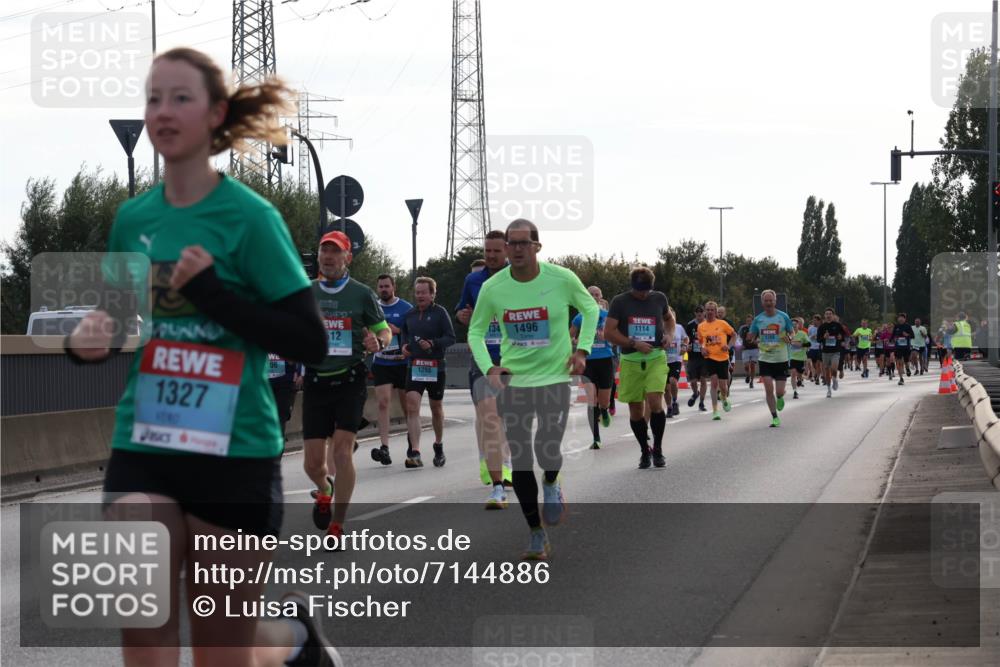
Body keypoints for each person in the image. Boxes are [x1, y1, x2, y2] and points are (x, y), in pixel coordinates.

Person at [66, 47, 341, 666]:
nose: (162, 111)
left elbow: (309, 341)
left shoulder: (250, 219)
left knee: (221, 652)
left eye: (180, 98)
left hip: (232, 453)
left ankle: (290, 642)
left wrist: (212, 294)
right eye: (153, 98)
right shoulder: (133, 217)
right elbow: (116, 320)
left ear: (216, 115)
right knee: (144, 635)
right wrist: (91, 341)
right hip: (146, 446)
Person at [468, 219, 598, 560]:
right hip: (514, 382)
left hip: (555, 377)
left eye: (524, 243)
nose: (517, 249)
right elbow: (475, 332)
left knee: (548, 450)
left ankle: (552, 482)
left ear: (538, 246)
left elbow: (590, 308)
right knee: (523, 460)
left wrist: (581, 350)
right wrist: (489, 368)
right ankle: (536, 533)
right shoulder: (493, 288)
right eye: (512, 243)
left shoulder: (561, 278)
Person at [304, 229, 391, 547]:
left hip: (350, 379)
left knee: (342, 453)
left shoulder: (361, 293)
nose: (328, 257)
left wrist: (377, 341)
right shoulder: (306, 291)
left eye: (335, 252)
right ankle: (324, 489)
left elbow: (384, 332)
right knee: (313, 464)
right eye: (324, 251)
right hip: (315, 381)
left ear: (347, 257)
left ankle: (337, 525)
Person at [455, 229, 513, 506]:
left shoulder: (519, 277)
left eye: (495, 251)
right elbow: (461, 310)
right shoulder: (473, 279)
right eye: (486, 251)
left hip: (513, 358)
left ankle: (508, 461)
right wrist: (463, 315)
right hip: (483, 359)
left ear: (507, 251)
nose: (490, 256)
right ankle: (497, 481)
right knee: (489, 416)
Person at [604, 267, 671, 468]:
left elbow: (669, 319)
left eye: (647, 290)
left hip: (656, 357)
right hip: (631, 360)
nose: (643, 294)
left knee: (655, 401)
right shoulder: (620, 302)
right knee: (635, 410)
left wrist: (668, 333)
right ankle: (645, 450)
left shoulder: (659, 298)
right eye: (639, 290)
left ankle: (658, 448)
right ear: (632, 286)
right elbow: (608, 333)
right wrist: (633, 343)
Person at [401, 276, 456, 468]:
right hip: (415, 366)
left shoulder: (440, 313)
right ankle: (415, 451)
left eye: (424, 292)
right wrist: (405, 347)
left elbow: (451, 338)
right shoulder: (410, 314)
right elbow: (404, 335)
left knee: (436, 408)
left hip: (435, 367)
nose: (420, 296)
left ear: (432, 294)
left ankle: (438, 445)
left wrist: (433, 343)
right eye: (417, 292)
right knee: (412, 405)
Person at [370, 274, 412, 466]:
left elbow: (416, 331)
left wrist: (399, 332)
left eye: (387, 286)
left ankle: (413, 444)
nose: (384, 289)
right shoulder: (373, 307)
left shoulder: (405, 308)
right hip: (382, 362)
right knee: (383, 403)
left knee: (407, 407)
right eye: (381, 287)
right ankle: (384, 447)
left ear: (393, 287)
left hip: (402, 363)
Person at [570, 286, 615, 449]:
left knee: (603, 400)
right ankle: (596, 438)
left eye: (597, 295)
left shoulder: (607, 316)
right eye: (591, 294)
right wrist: (574, 342)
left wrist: (608, 337)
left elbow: (617, 337)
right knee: (591, 400)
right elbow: (570, 335)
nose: (594, 297)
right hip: (588, 361)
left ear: (601, 297)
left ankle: (605, 410)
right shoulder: (580, 317)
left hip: (605, 359)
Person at [746, 290, 794, 427]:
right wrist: (751, 339)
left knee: (778, 391)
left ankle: (780, 396)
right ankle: (774, 417)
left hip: (781, 358)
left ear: (775, 301)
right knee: (768, 389)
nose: (768, 303)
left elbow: (792, 332)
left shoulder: (783, 317)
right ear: (762, 303)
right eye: (766, 301)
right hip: (765, 358)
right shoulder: (758, 319)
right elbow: (752, 336)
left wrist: (790, 338)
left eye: (770, 300)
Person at [697, 301, 736, 420]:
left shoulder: (722, 323)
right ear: (705, 312)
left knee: (723, 386)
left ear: (715, 312)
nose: (709, 312)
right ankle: (715, 410)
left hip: (723, 357)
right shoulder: (701, 326)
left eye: (712, 310)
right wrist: (702, 349)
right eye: (707, 310)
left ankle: (724, 397)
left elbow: (734, 335)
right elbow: (701, 342)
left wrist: (728, 346)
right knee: (714, 383)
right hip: (710, 358)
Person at [268, 354, 301, 442]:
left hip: (285, 382)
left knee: (280, 420)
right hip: (262, 382)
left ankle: (277, 452)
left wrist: (299, 372)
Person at [662, 306, 688, 419]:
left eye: (673, 314)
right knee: (665, 388)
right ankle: (669, 407)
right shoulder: (660, 328)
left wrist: (684, 345)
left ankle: (674, 401)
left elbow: (686, 338)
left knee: (673, 381)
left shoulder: (679, 327)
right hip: (662, 360)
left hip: (676, 359)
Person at [816, 308, 848, 398]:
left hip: (835, 351)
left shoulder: (837, 325)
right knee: (826, 371)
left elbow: (843, 336)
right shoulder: (822, 327)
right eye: (827, 314)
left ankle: (834, 379)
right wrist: (824, 337)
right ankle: (829, 389)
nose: (828, 315)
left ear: (833, 315)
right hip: (825, 352)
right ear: (824, 316)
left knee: (834, 368)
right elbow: (818, 340)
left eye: (830, 314)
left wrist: (840, 337)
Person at [685, 305, 708, 412]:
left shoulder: (708, 324)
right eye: (697, 312)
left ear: (704, 313)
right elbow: (686, 339)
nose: (699, 314)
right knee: (693, 381)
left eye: (701, 312)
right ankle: (695, 393)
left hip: (704, 357)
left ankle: (702, 403)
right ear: (695, 313)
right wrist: (687, 346)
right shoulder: (690, 325)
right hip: (693, 357)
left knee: (703, 380)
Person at [789, 317, 811, 399]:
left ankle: (800, 379)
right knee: (793, 373)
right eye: (792, 324)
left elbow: (809, 344)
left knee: (799, 373)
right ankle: (795, 391)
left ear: (798, 325)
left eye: (795, 324)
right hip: (792, 357)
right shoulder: (788, 335)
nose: (794, 326)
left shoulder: (802, 334)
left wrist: (801, 345)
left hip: (801, 358)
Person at [891, 312, 914, 385]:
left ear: (904, 319)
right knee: (899, 362)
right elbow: (892, 336)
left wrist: (907, 335)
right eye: (899, 318)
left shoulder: (908, 326)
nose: (900, 319)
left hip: (906, 347)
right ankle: (901, 378)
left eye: (902, 318)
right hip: (898, 347)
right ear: (898, 319)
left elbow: (913, 336)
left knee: (906, 361)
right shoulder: (896, 326)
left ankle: (907, 368)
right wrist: (892, 339)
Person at [738, 314, 759, 389]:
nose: (749, 322)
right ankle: (748, 374)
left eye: (750, 321)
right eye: (747, 321)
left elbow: (760, 337)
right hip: (745, 349)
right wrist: (740, 345)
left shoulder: (756, 328)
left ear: (753, 321)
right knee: (746, 366)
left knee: (753, 365)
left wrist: (757, 341)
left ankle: (752, 382)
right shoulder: (743, 328)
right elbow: (739, 338)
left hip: (754, 349)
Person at [807, 314, 823, 385]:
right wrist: (812, 337)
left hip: (819, 347)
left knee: (818, 363)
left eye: (816, 320)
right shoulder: (810, 328)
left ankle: (817, 378)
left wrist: (818, 337)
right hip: (812, 347)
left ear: (819, 321)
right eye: (813, 320)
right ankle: (816, 373)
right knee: (813, 363)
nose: (814, 321)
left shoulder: (822, 328)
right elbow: (808, 337)